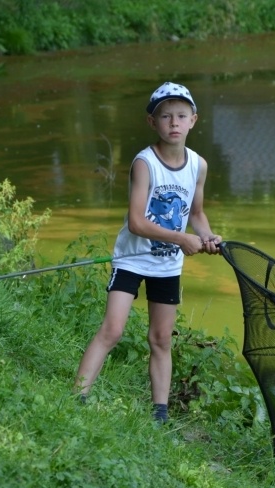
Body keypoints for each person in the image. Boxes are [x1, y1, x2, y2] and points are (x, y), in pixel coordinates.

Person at [74, 81, 222, 422]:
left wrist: (207, 235)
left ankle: (160, 413)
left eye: (181, 116)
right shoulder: (145, 163)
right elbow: (137, 222)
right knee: (112, 330)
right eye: (165, 116)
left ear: (193, 121)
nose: (173, 123)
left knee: (160, 339)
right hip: (131, 260)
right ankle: (76, 398)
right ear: (151, 122)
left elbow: (196, 214)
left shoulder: (198, 165)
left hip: (167, 267)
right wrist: (182, 238)